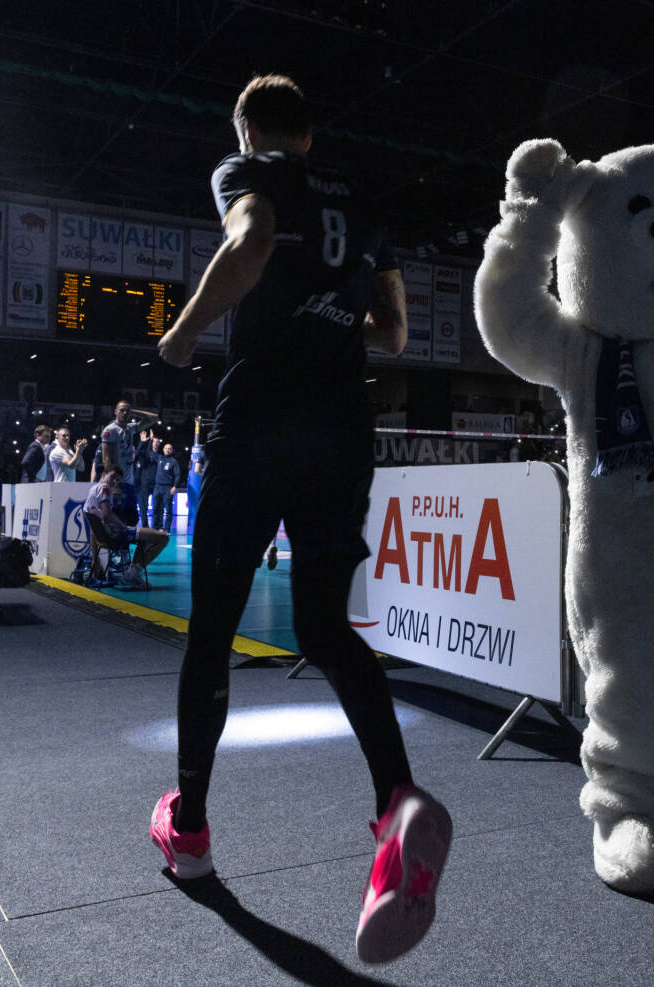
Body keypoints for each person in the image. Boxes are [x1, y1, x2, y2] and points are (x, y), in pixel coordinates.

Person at [153, 74, 448, 964]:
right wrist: (333, 308)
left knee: (212, 630)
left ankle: (190, 831)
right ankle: (396, 799)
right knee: (325, 626)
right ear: (312, 135)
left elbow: (249, 242)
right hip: (341, 433)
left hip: (257, 429)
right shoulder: (364, 202)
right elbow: (394, 331)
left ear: (247, 127)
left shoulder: (249, 170)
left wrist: (182, 334)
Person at [83, 465, 168, 578]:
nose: (115, 481)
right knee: (163, 538)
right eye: (113, 477)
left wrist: (95, 559)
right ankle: (132, 574)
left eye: (118, 480)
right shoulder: (104, 488)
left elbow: (93, 532)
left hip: (108, 536)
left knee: (146, 540)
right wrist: (123, 526)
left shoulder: (93, 490)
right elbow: (107, 515)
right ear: (104, 474)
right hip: (118, 535)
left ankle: (133, 573)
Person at [98, 401, 136, 481]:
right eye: (122, 410)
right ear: (115, 411)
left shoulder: (131, 428)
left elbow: (153, 418)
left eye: (127, 411)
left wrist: (134, 411)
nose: (125, 413)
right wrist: (113, 480)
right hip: (117, 481)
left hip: (129, 480)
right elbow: (105, 459)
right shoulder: (110, 430)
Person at [150, 441, 181, 531]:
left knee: (168, 510)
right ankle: (156, 527)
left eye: (169, 449)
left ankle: (167, 529)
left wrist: (175, 486)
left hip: (168, 488)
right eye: (166, 448)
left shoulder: (174, 461)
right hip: (157, 487)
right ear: (163, 449)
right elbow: (150, 452)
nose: (167, 450)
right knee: (156, 508)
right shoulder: (159, 458)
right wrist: (150, 441)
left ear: (172, 451)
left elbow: (177, 475)